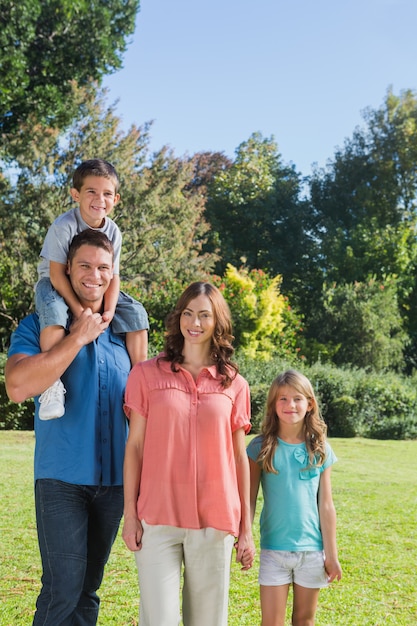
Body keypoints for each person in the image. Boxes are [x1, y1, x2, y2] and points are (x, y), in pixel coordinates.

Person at [5, 230, 137, 626]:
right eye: (84, 265)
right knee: (62, 588)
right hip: (61, 480)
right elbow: (17, 386)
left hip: (114, 484)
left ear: (113, 275)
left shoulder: (126, 334)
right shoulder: (40, 326)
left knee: (87, 591)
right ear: (67, 269)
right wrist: (76, 338)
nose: (93, 275)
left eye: (102, 268)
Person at [122, 281, 256, 626]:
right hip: (157, 516)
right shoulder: (145, 374)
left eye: (204, 315)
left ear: (218, 322)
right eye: (188, 313)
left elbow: (240, 458)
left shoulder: (235, 384)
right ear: (179, 317)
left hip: (216, 519)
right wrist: (130, 514)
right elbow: (134, 446)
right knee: (159, 620)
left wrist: (246, 529)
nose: (194, 323)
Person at [35, 158, 148, 420]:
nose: (100, 199)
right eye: (91, 192)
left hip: (97, 284)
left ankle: (139, 385)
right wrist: (79, 310)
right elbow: (56, 273)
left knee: (136, 313)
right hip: (56, 282)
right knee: (53, 311)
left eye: (107, 193)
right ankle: (52, 383)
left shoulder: (114, 231)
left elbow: (114, 276)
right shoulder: (64, 226)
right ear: (76, 194)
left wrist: (108, 313)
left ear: (116, 199)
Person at [247, 369, 342, 626]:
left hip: (311, 551)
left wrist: (331, 555)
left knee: (304, 620)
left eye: (297, 398)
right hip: (273, 550)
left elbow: (326, 505)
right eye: (283, 399)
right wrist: (245, 536)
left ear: (309, 403)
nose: (291, 405)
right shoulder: (260, 447)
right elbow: (249, 498)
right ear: (273, 405)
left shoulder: (320, 448)